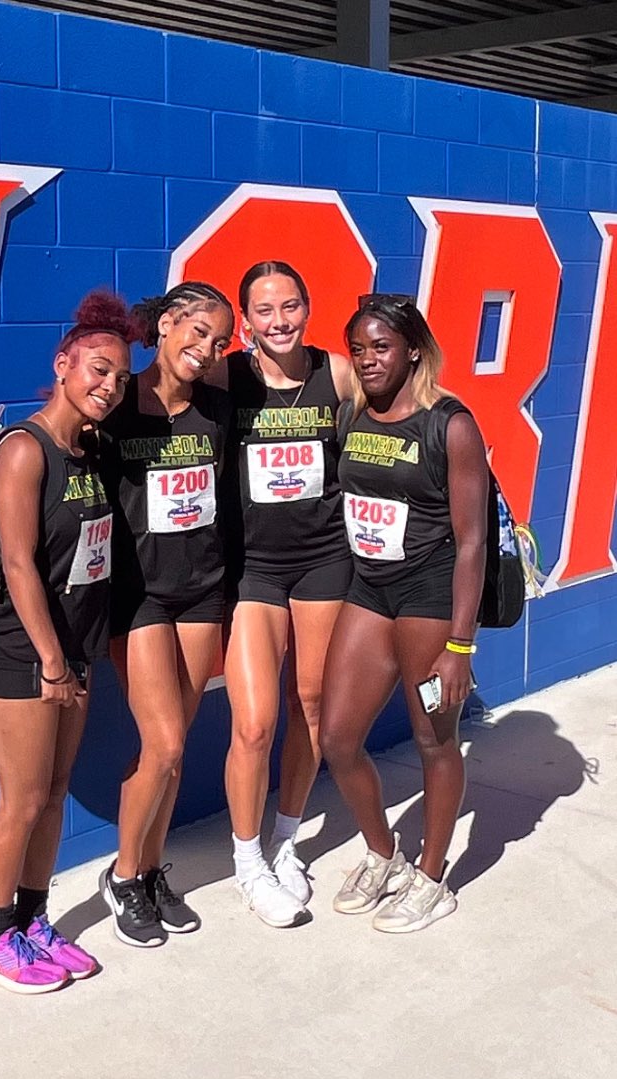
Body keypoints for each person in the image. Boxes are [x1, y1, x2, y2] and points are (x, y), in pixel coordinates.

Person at [0, 290, 136, 992]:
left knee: (57, 790)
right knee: (24, 797)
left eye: (120, 378)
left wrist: (76, 656)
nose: (108, 386)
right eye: (98, 369)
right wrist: (53, 661)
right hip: (25, 651)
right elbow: (17, 563)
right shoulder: (24, 449)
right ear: (63, 364)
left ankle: (33, 921)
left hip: (74, 649)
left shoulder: (89, 450)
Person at [318, 293, 489, 933]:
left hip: (429, 597)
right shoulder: (353, 414)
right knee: (337, 736)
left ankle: (433, 877)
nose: (366, 360)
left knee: (432, 739)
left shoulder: (450, 424)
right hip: (370, 592)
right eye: (358, 349)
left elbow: (472, 540)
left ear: (413, 348)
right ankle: (383, 854)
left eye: (380, 347)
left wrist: (460, 646)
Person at [207, 260, 354, 928]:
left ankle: (286, 839)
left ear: (308, 306)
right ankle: (247, 862)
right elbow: (160, 397)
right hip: (254, 572)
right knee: (255, 721)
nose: (279, 321)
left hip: (324, 560)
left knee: (315, 705)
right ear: (246, 321)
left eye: (290, 305)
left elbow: (387, 434)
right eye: (264, 310)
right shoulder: (228, 376)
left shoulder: (337, 374)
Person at [97, 281, 235, 948]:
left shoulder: (217, 410)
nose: (206, 349)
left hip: (202, 591)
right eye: (197, 331)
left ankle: (152, 870)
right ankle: (124, 875)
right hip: (139, 596)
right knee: (167, 743)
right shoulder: (119, 403)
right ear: (169, 324)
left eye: (218, 341)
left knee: (173, 753)